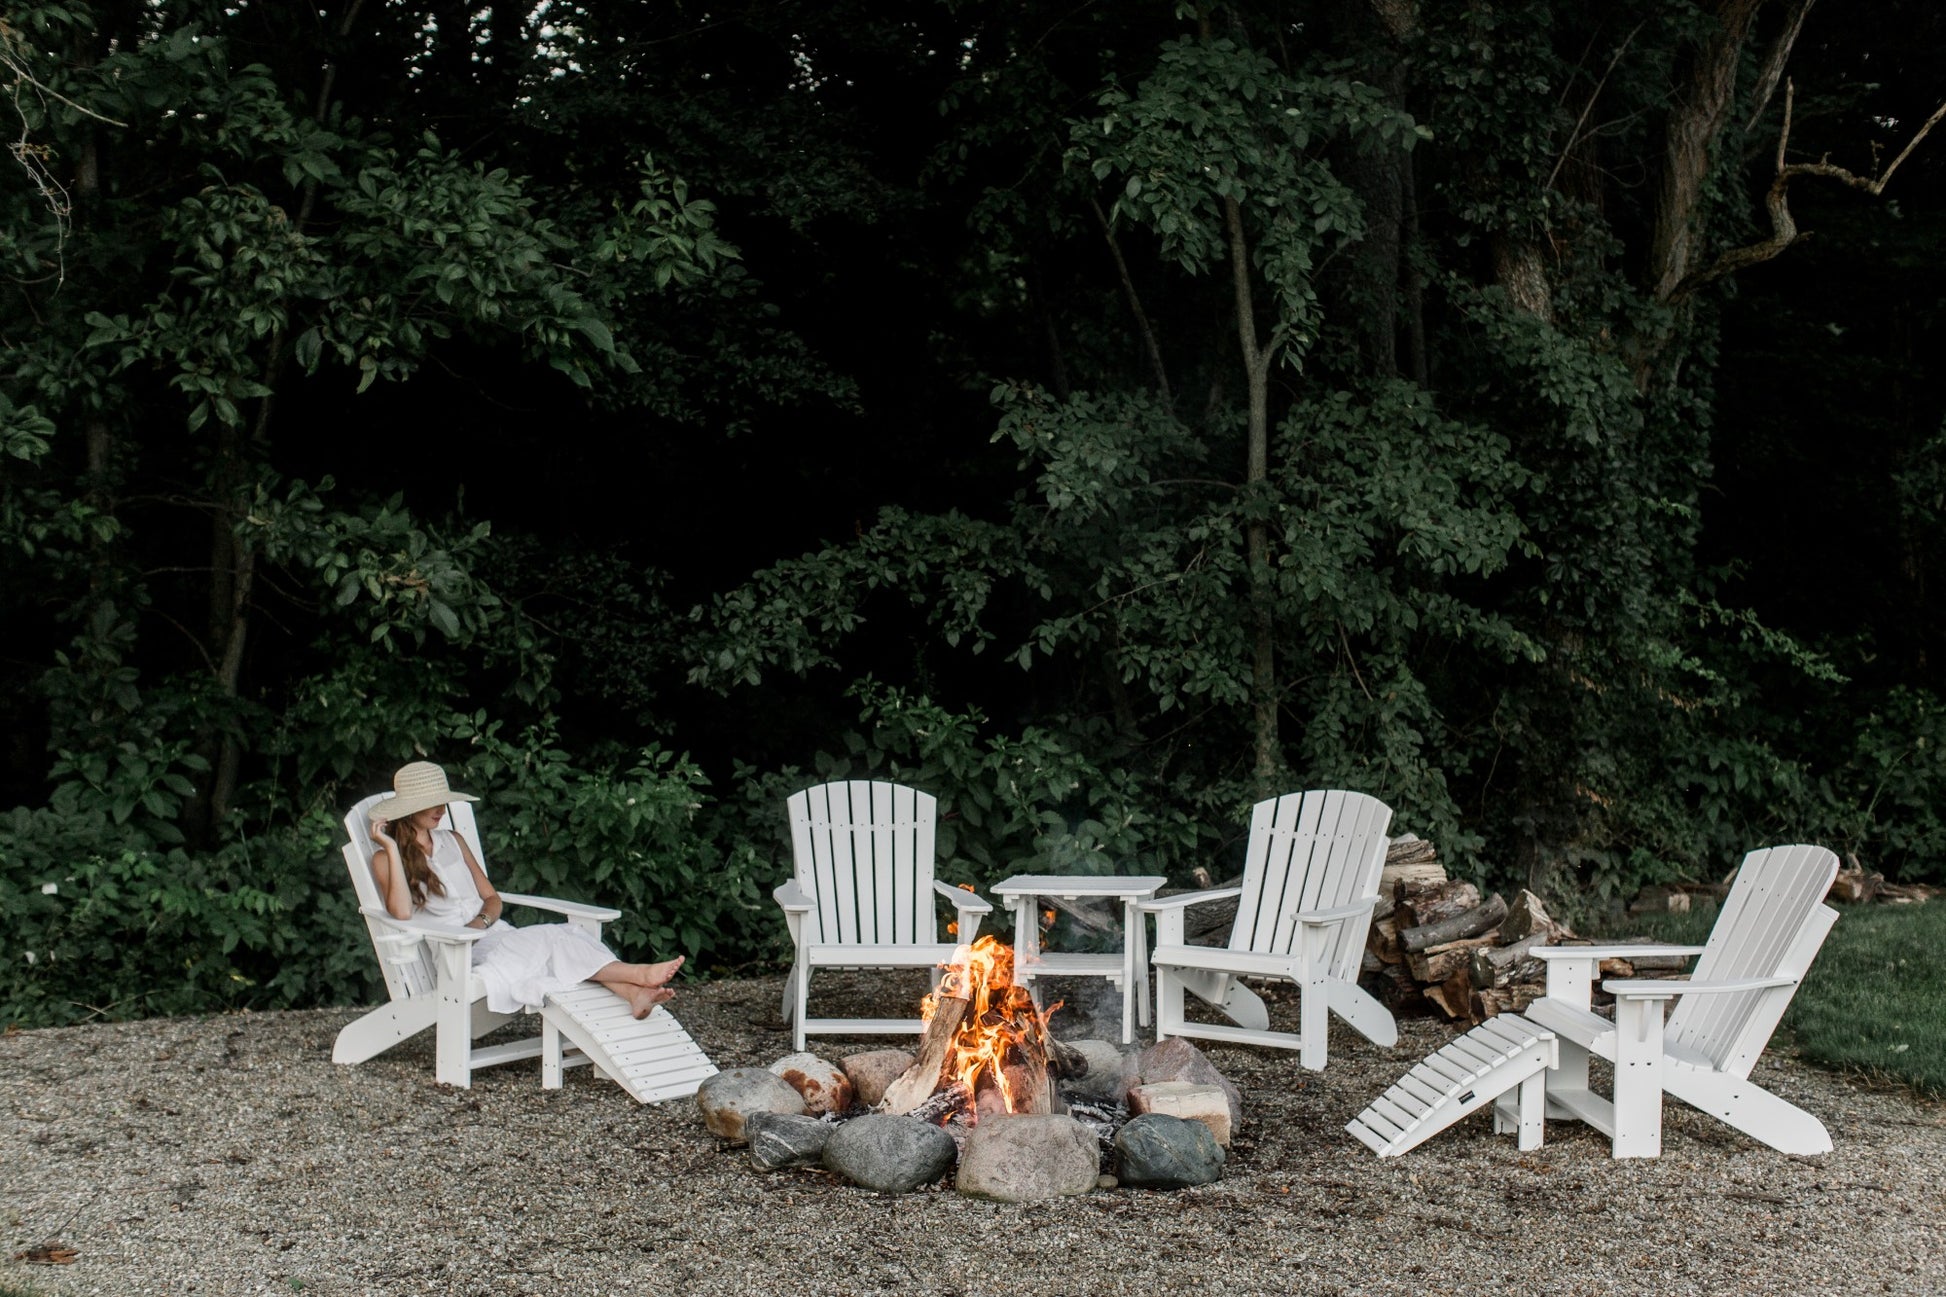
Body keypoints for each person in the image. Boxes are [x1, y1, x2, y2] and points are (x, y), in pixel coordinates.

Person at [367, 761, 682, 1019]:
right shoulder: (386, 859)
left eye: (443, 802)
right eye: (431, 804)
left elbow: (492, 898)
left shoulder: (453, 840)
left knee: (567, 937)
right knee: (556, 937)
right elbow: (402, 913)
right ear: (409, 809)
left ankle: (633, 993)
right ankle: (637, 975)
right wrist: (391, 848)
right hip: (457, 953)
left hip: (493, 936)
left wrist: (481, 923)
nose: (441, 809)